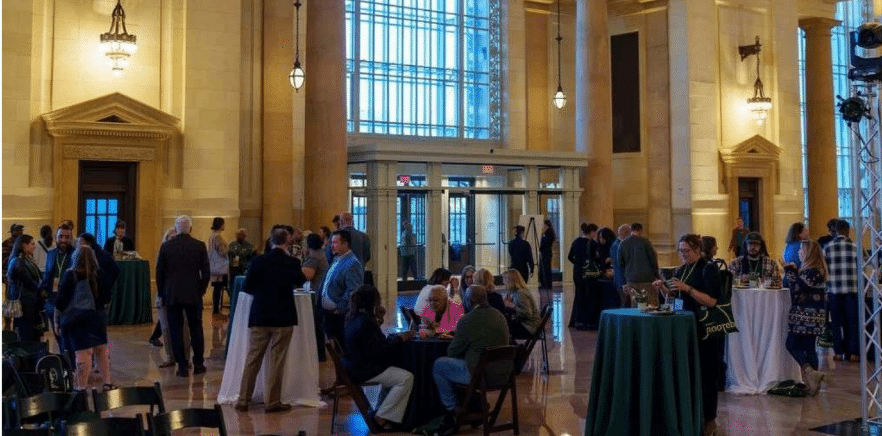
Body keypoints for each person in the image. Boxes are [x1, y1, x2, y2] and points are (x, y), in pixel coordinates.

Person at [653, 234, 723, 436]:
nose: (683, 255)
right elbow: (675, 299)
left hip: (705, 329)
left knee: (707, 376)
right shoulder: (681, 270)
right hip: (685, 329)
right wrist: (664, 289)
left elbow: (711, 301)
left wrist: (689, 288)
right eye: (681, 251)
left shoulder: (708, 269)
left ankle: (710, 420)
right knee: (689, 374)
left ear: (697, 249)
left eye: (687, 251)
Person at [235, 228, 306, 413]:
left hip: (260, 315)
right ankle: (272, 401)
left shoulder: (258, 260)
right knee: (277, 360)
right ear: (287, 242)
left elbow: (247, 286)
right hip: (283, 316)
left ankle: (243, 399)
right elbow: (300, 282)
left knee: (253, 358)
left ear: (271, 241)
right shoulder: (292, 262)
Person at [432, 285, 512, 434]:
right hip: (504, 373)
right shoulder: (499, 315)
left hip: (480, 375)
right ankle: (472, 406)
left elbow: (452, 351)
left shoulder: (467, 320)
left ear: (468, 300)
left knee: (439, 365)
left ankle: (452, 409)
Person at [342, 286, 415, 430]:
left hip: (353, 365)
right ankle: (382, 416)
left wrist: (379, 320)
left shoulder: (352, 317)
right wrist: (400, 338)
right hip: (364, 368)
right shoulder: (366, 321)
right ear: (372, 301)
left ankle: (382, 411)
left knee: (395, 373)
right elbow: (377, 349)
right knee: (406, 378)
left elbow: (370, 341)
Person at [155, 215, 210, 377]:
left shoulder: (166, 246)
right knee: (196, 329)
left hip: (172, 294)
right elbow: (206, 273)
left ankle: (182, 367)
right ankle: (199, 363)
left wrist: (161, 293)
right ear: (190, 229)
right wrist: (201, 289)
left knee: (176, 330)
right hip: (193, 293)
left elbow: (160, 273)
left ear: (176, 228)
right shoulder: (199, 245)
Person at [55, 245, 115, 391]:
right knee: (101, 350)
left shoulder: (71, 274)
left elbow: (61, 300)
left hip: (78, 319)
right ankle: (107, 382)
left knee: (83, 353)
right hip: (97, 317)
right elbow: (107, 298)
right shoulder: (100, 273)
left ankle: (81, 388)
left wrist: (57, 320)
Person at [781, 240, 829, 395]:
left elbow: (796, 291)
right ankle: (814, 384)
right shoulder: (818, 271)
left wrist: (789, 271)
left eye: (801, 250)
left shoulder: (810, 272)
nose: (799, 253)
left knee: (791, 344)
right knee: (810, 349)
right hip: (815, 318)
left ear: (807, 253)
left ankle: (810, 373)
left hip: (804, 317)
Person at [319, 229, 364, 349]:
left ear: (345, 244)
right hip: (330, 313)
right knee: (335, 347)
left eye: (334, 242)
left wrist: (340, 308)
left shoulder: (352, 263)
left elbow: (353, 290)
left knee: (342, 347)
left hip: (340, 315)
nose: (331, 245)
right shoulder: (337, 259)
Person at [824, 219, 860, 362]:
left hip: (833, 290)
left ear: (835, 231)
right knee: (852, 322)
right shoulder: (855, 247)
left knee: (836, 323)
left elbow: (824, 270)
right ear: (848, 231)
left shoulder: (827, 247)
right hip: (852, 290)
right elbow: (862, 270)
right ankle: (853, 353)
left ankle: (838, 352)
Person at [154, 228, 190, 368]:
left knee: (184, 327)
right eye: (171, 237)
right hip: (165, 294)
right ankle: (170, 356)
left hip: (182, 295)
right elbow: (159, 275)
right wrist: (160, 295)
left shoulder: (185, 253)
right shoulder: (163, 252)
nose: (173, 240)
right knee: (166, 327)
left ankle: (186, 357)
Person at [5, 235, 43, 341]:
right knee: (26, 335)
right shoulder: (19, 261)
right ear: (23, 246)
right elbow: (29, 282)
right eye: (32, 244)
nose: (34, 247)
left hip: (27, 302)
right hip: (26, 303)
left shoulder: (22, 260)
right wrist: (40, 290)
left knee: (28, 334)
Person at [617, 222, 661, 307]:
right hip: (647, 280)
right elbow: (653, 259)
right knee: (650, 305)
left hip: (631, 280)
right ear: (641, 230)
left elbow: (620, 263)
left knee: (636, 306)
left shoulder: (623, 243)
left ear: (631, 230)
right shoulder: (646, 242)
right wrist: (657, 275)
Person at [39, 224, 74, 330]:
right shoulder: (51, 254)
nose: (63, 240)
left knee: (67, 331)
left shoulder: (75, 253)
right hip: (52, 298)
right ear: (56, 238)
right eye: (60, 236)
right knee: (56, 330)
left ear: (71, 238)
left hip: (69, 299)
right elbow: (47, 276)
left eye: (67, 237)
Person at [302, 232, 329, 360]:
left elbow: (307, 275)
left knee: (316, 324)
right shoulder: (320, 254)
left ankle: (319, 353)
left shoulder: (314, 257)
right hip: (321, 291)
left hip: (316, 293)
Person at [568, 223, 598, 329]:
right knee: (589, 297)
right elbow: (596, 259)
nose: (596, 234)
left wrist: (578, 263)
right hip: (589, 273)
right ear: (591, 232)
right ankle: (587, 322)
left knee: (579, 295)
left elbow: (570, 257)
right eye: (595, 232)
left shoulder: (576, 241)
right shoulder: (592, 244)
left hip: (577, 272)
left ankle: (577, 320)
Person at [501, 269, 540, 339]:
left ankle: (511, 348)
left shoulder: (520, 293)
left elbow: (527, 313)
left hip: (528, 327)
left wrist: (512, 306)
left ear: (511, 280)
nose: (503, 282)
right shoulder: (516, 292)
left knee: (501, 329)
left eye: (505, 278)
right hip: (527, 325)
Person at [339, 212, 372, 283]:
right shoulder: (363, 236)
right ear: (353, 221)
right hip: (360, 271)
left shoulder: (336, 236)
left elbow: (329, 255)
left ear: (341, 222)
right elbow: (367, 256)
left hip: (341, 272)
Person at [208, 217, 230, 314]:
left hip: (213, 264)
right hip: (220, 266)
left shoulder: (212, 236)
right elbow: (222, 251)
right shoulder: (218, 237)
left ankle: (216, 308)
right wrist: (228, 251)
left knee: (217, 288)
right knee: (220, 288)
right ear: (221, 225)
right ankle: (217, 309)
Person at [610, 224, 631, 307]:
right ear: (624, 233)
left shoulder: (620, 245)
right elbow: (620, 264)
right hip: (621, 279)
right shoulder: (617, 246)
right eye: (629, 234)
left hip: (622, 278)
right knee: (624, 302)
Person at [538, 220, 556, 290]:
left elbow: (545, 242)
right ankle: (544, 284)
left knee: (546, 269)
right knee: (544, 269)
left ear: (546, 224)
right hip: (545, 252)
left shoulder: (549, 232)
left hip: (546, 253)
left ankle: (547, 285)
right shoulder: (547, 232)